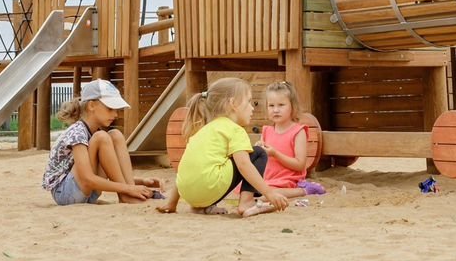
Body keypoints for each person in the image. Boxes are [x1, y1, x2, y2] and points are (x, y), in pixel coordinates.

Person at [158, 77, 289, 217]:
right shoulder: (235, 129)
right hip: (210, 189)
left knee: (215, 163)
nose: (252, 108)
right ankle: (246, 202)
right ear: (233, 103)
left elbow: (186, 167)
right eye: (249, 101)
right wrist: (269, 193)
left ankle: (201, 206)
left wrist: (172, 203)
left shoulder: (203, 130)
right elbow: (244, 165)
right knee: (258, 152)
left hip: (189, 195)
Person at [41, 79, 161, 205]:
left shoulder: (95, 133)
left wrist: (141, 182)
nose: (116, 114)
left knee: (115, 135)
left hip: (87, 191)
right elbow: (87, 178)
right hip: (66, 193)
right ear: (91, 106)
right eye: (110, 108)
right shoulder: (77, 132)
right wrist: (128, 188)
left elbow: (109, 173)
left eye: (116, 110)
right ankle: (127, 193)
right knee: (102, 137)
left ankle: (129, 194)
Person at [258, 81, 326, 204]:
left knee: (266, 194)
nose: (276, 110)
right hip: (268, 178)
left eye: (281, 105)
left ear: (292, 107)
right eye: (271, 105)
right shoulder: (266, 131)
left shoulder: (298, 131)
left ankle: (303, 190)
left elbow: (300, 165)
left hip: (288, 179)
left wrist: (275, 154)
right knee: (247, 189)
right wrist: (259, 150)